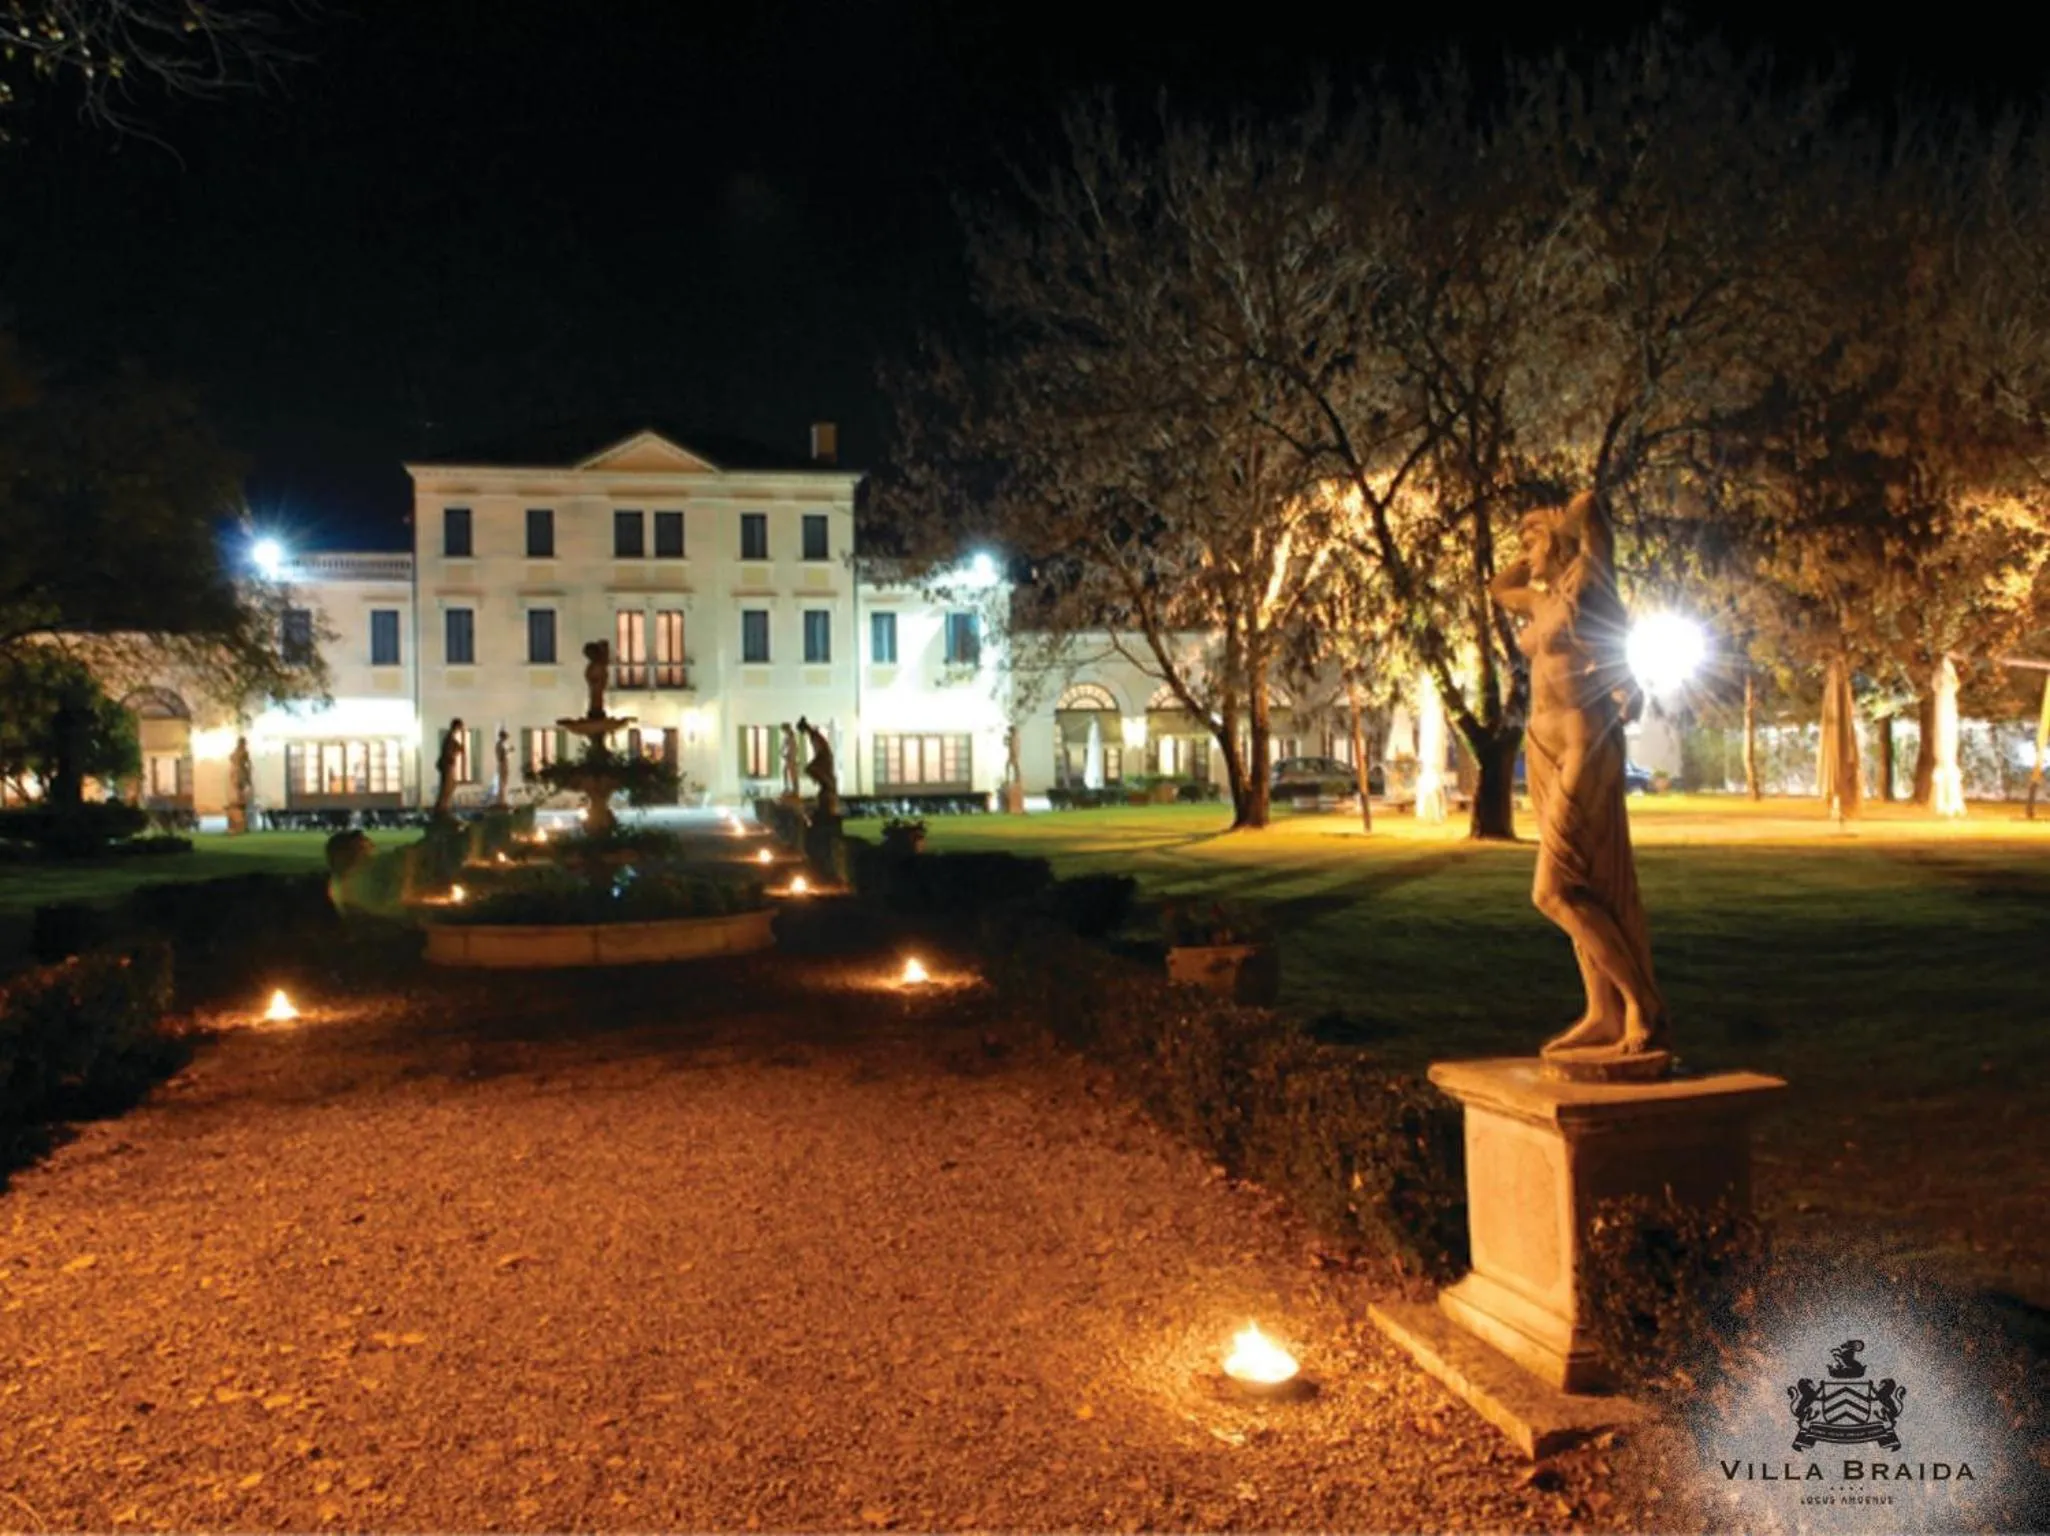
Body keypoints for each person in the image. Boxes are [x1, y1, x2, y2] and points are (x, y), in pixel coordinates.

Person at [1490, 492, 1667, 1060]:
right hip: (1543, 746)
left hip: (1582, 745)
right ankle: (1602, 1010)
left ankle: (1642, 1001)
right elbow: (1498, 588)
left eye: (1530, 542)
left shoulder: (1589, 581)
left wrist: (1563, 524)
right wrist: (1535, 548)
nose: (1523, 554)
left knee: (1554, 891)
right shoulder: (1543, 604)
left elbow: (1593, 514)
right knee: (1583, 884)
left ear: (1561, 543)